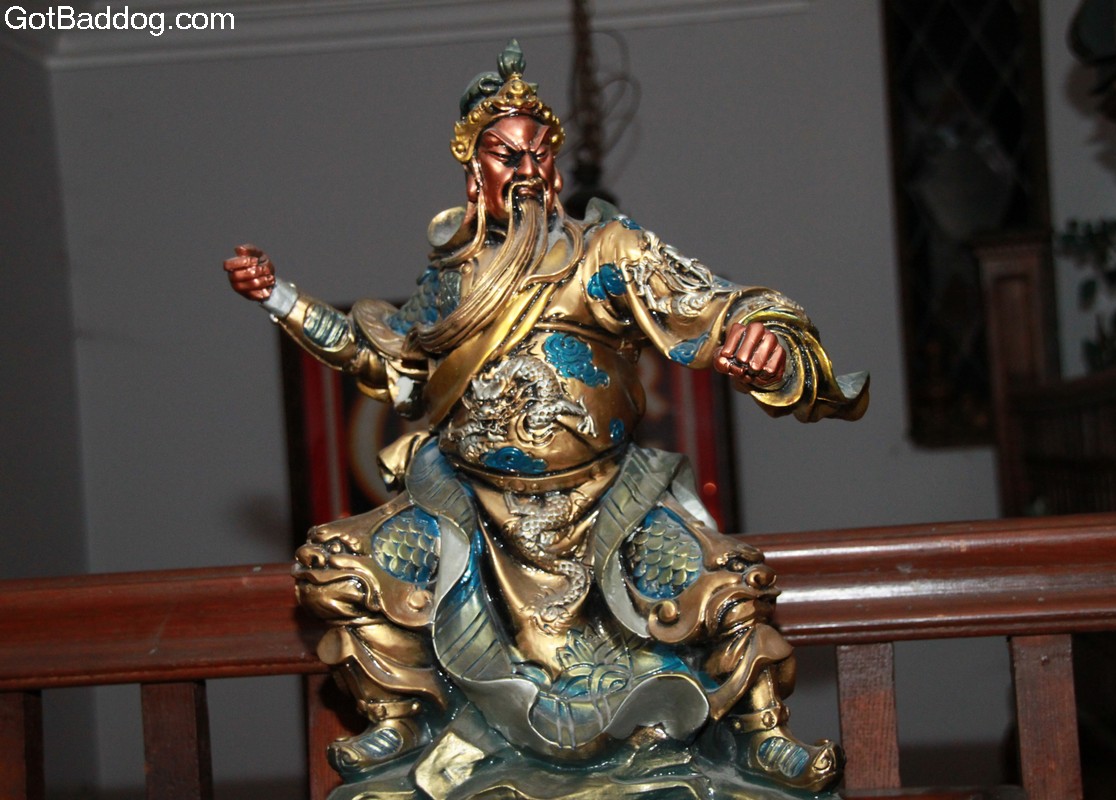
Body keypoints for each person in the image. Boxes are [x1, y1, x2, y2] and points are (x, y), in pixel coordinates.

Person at [226, 41, 866, 797]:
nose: (525, 170)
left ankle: (761, 735)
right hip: (468, 508)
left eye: (538, 154)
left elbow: (715, 303)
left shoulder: (607, 253)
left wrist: (762, 341)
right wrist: (280, 298)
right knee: (341, 569)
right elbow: (385, 361)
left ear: (555, 166)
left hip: (606, 501)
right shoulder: (450, 286)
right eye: (506, 155)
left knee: (726, 584)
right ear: (476, 170)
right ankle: (399, 716)